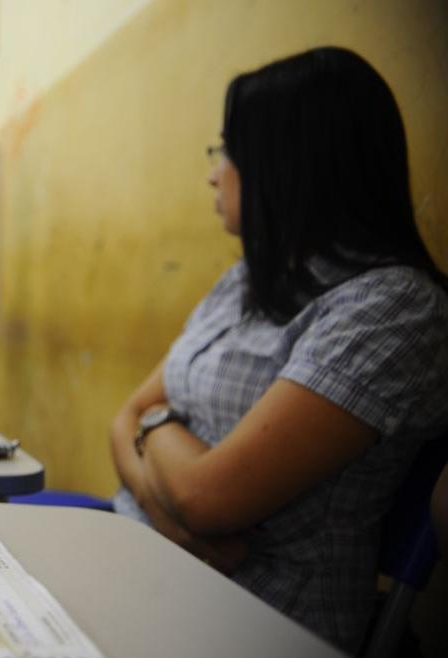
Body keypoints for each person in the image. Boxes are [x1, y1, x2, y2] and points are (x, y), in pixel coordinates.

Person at [108, 47, 448, 653]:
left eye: (227, 152)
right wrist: (173, 518)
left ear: (288, 162)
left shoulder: (392, 308)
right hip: (153, 561)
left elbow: (206, 497)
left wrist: (156, 429)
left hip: (254, 620)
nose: (214, 173)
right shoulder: (249, 278)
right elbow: (123, 420)